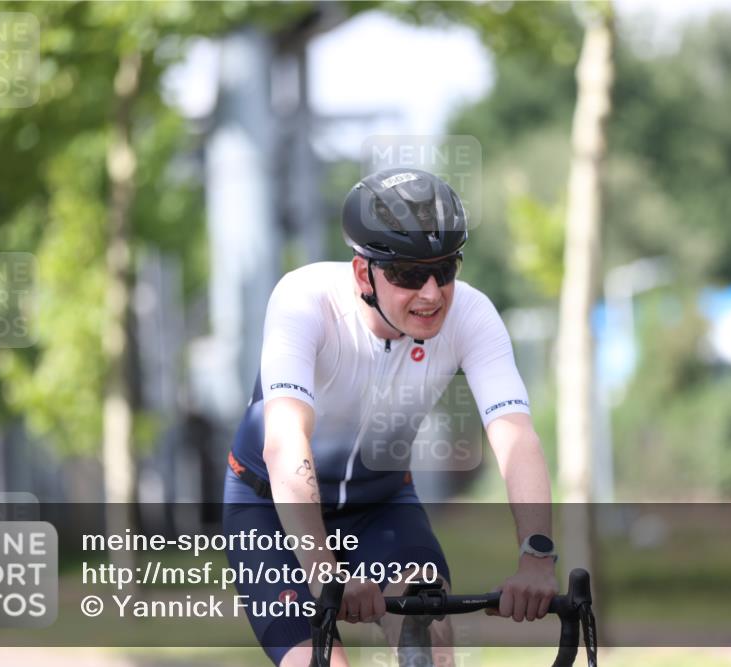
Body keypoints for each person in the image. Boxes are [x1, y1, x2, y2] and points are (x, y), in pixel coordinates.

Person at [222, 168, 559, 667]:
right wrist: (323, 569)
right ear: (364, 273)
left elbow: (515, 439)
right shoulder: (304, 300)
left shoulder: (472, 314)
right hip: (270, 509)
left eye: (444, 269)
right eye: (406, 274)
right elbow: (285, 440)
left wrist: (536, 556)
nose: (430, 293)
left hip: (380, 505)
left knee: (431, 639)